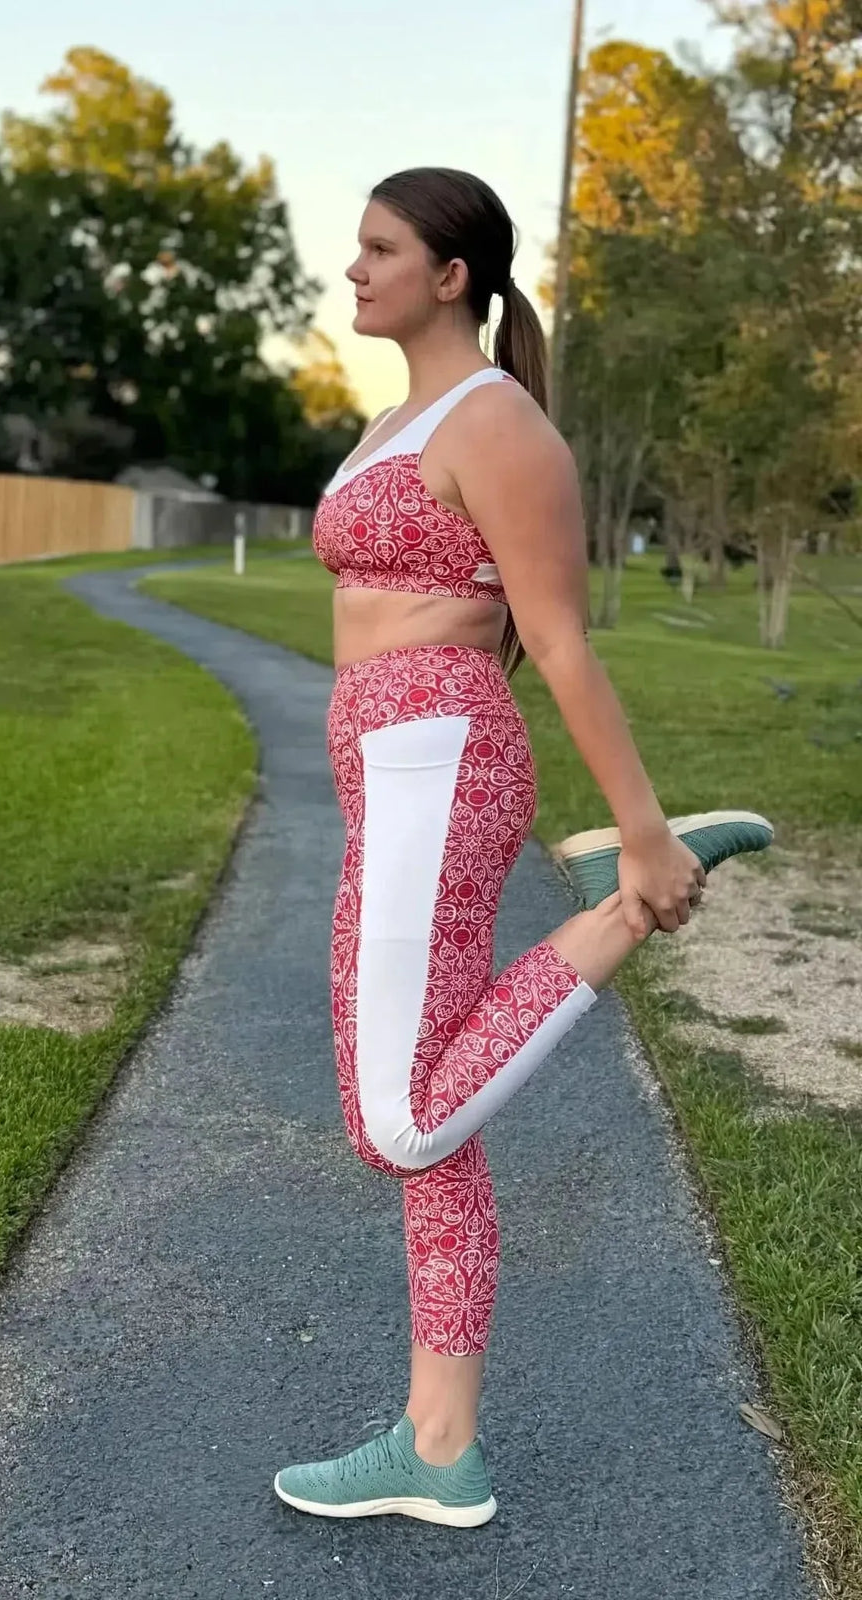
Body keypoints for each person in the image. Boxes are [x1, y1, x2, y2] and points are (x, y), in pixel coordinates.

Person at [272, 167, 773, 1529]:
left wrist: (647, 830)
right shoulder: (402, 417)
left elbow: (555, 640)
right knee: (433, 1126)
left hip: (439, 756)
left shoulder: (499, 423)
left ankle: (619, 905)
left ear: (452, 275)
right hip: (398, 769)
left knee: (402, 1117)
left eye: (380, 248)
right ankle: (440, 1447)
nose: (353, 267)